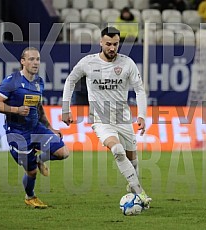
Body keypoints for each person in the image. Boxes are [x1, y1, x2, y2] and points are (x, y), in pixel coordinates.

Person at [61, 27, 152, 208]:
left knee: (132, 159)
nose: (112, 48)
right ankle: (140, 193)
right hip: (101, 119)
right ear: (101, 43)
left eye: (115, 44)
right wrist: (65, 108)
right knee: (117, 151)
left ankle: (132, 183)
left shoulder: (127, 63)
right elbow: (70, 80)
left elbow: (139, 89)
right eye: (108, 44)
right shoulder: (88, 62)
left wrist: (142, 115)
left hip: (123, 119)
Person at [0, 47, 69, 208]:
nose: (35, 63)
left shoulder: (38, 82)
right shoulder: (11, 81)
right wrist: (16, 110)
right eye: (31, 59)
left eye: (38, 59)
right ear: (23, 61)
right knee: (31, 172)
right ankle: (30, 196)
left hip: (36, 128)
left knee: (63, 152)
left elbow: (38, 107)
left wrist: (51, 127)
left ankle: (40, 159)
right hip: (17, 134)